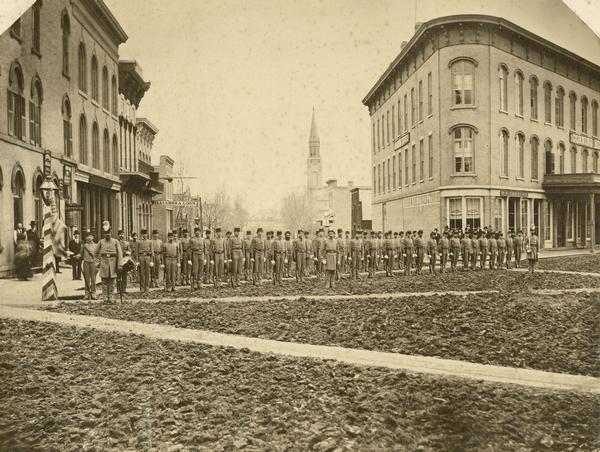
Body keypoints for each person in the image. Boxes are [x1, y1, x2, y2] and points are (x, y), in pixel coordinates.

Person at [95, 221, 123, 303]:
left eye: (109, 233)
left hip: (113, 263)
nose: (107, 235)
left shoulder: (115, 242)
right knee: (104, 281)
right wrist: (98, 261)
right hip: (104, 263)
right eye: (105, 233)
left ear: (111, 233)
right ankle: (105, 296)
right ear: (104, 234)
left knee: (112, 281)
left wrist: (119, 264)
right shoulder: (101, 242)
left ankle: (111, 296)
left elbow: (120, 254)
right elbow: (95, 252)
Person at [136, 229, 154, 294]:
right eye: (143, 234)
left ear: (147, 234)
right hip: (141, 257)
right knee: (141, 273)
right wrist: (137, 261)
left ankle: (147, 287)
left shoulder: (150, 242)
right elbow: (137, 252)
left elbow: (152, 252)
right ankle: (142, 288)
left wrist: (152, 261)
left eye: (145, 234)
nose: (144, 235)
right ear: (141, 234)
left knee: (147, 273)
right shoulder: (138, 242)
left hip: (147, 257)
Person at [82, 231, 98, 300]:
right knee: (87, 279)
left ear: (93, 237)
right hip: (86, 262)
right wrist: (76, 256)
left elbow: (98, 254)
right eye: (87, 236)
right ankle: (87, 293)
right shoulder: (84, 245)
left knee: (93, 279)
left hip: (93, 263)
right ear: (85, 238)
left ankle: (93, 292)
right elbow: (80, 254)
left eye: (90, 236)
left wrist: (98, 262)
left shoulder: (96, 245)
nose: (89, 238)